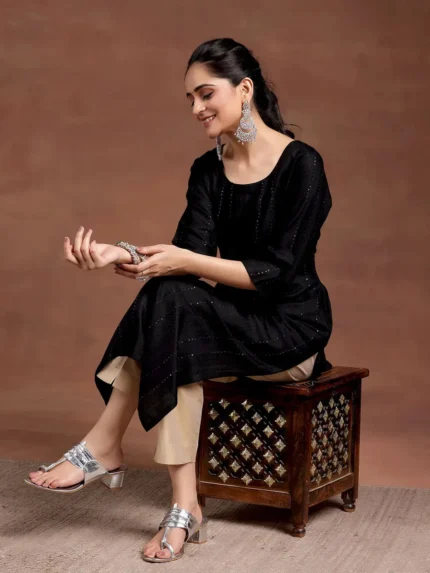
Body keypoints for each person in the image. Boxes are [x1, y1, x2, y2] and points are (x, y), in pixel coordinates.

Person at [25, 37, 334, 563]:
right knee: (172, 303)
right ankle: (182, 505)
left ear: (245, 89)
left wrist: (182, 262)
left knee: (176, 308)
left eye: (206, 94)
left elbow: (277, 274)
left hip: (290, 332)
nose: (196, 108)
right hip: (228, 328)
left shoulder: (302, 164)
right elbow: (186, 257)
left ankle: (110, 450)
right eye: (190, 98)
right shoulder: (208, 171)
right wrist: (117, 253)